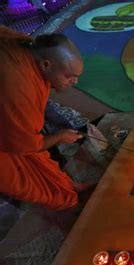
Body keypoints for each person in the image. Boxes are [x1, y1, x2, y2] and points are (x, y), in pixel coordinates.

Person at [0, 27, 87, 210]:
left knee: (41, 149)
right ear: (46, 65)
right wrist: (61, 136)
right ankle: (68, 203)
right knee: (22, 179)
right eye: (69, 77)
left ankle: (68, 187)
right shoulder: (19, 89)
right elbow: (26, 146)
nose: (74, 82)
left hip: (16, 122)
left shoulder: (26, 45)